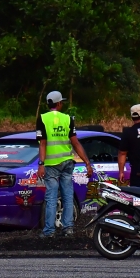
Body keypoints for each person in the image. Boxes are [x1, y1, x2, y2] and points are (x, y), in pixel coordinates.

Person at [36, 91, 94, 238]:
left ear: (48, 104)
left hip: (50, 164)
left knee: (51, 197)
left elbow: (42, 143)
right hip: (67, 162)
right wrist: (87, 163)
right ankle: (68, 228)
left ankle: (49, 231)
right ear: (59, 103)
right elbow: (75, 142)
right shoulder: (68, 119)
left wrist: (41, 164)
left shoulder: (42, 118)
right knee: (68, 196)